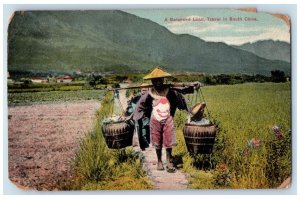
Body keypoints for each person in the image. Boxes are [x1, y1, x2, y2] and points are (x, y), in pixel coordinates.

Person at [133, 67, 200, 173]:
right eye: (155, 80)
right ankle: (159, 161)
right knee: (157, 140)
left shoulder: (170, 91)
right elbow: (139, 106)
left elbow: (182, 90)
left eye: (160, 80)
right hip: (155, 120)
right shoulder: (149, 93)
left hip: (168, 118)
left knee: (169, 140)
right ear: (152, 81)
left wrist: (193, 86)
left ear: (163, 80)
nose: (158, 82)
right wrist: (136, 117)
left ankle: (169, 161)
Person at [125, 83, 150, 151]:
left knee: (145, 131)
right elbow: (131, 108)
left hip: (146, 118)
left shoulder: (149, 97)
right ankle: (143, 146)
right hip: (138, 117)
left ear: (148, 90)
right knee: (139, 132)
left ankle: (146, 145)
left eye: (145, 90)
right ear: (140, 90)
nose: (144, 91)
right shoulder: (136, 98)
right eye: (143, 90)